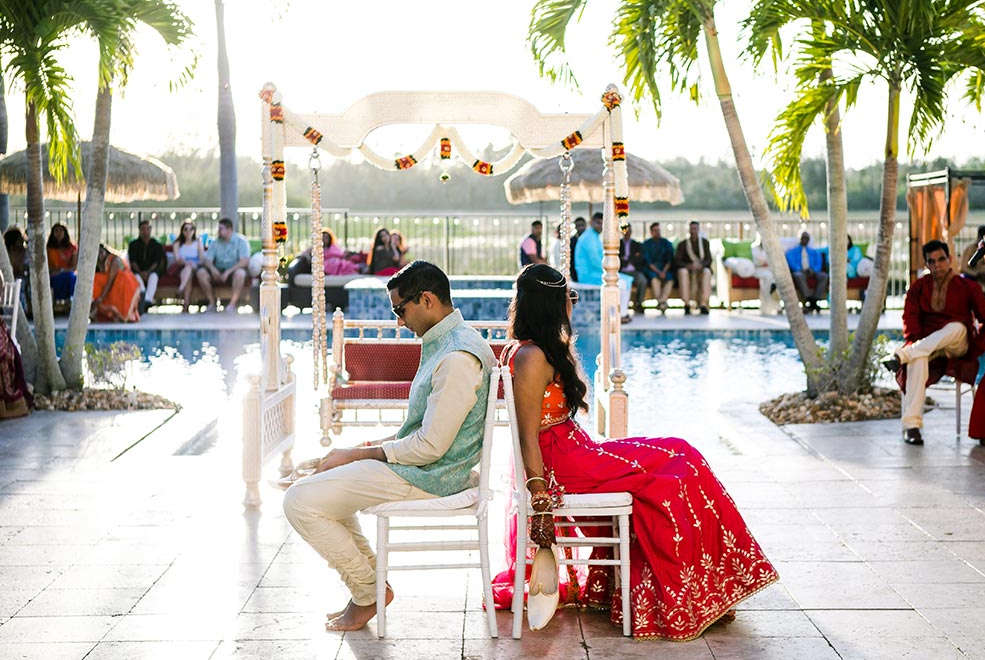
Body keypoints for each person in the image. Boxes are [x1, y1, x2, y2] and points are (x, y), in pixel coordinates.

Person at [490, 264, 778, 640]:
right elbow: (528, 436)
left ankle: (702, 589)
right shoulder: (531, 358)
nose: (572, 306)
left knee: (681, 452)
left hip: (576, 451)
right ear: (551, 306)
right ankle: (684, 594)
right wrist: (540, 496)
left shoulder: (538, 350)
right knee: (677, 466)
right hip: (565, 464)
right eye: (569, 299)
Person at [283, 261, 495, 631]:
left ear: (426, 300)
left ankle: (367, 593)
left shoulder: (458, 356)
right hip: (420, 468)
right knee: (321, 489)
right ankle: (370, 588)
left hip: (432, 476)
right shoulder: (448, 343)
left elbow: (430, 447)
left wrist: (359, 454)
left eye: (401, 310)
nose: (399, 321)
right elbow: (422, 434)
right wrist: (358, 449)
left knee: (299, 502)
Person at [884, 240, 985, 445]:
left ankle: (904, 354)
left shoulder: (967, 286)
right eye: (932, 262)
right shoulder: (918, 288)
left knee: (957, 327)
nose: (937, 265)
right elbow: (909, 319)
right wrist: (916, 342)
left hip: (957, 344)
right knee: (918, 359)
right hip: (927, 346)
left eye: (941, 259)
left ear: (950, 259)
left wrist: (976, 349)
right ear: (926, 265)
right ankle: (912, 427)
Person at [573, 212, 633, 323]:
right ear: (592, 222)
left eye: (602, 223)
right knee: (622, 283)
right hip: (588, 275)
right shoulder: (588, 237)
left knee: (627, 280)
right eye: (598, 223)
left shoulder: (593, 236)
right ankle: (620, 314)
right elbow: (595, 261)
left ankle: (621, 312)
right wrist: (611, 269)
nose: (600, 226)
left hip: (596, 272)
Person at [197, 217, 250, 313]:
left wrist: (228, 271)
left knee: (240, 274)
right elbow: (208, 260)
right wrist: (213, 270)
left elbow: (244, 261)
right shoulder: (215, 243)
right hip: (217, 270)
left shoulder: (241, 241)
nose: (218, 231)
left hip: (233, 270)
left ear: (229, 229)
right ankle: (212, 303)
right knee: (201, 273)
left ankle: (232, 304)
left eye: (221, 229)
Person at [91, 244, 141, 323]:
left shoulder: (114, 260)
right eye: (97, 253)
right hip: (114, 285)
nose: (100, 255)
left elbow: (110, 281)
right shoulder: (99, 265)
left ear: (105, 251)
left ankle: (123, 314)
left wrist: (100, 298)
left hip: (126, 284)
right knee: (96, 279)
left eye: (101, 252)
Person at [674, 220, 713, 314]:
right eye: (691, 229)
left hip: (701, 269)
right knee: (682, 272)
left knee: (707, 272)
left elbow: (709, 259)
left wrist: (701, 265)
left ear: (698, 230)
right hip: (687, 270)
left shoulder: (704, 243)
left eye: (695, 229)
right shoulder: (682, 244)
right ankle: (686, 304)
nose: (693, 231)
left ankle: (703, 304)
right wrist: (688, 266)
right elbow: (677, 260)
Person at [127, 219, 165, 313]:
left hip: (152, 271)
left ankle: (147, 300)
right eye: (143, 229)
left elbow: (157, 262)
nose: (145, 231)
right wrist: (140, 272)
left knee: (154, 276)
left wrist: (147, 272)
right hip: (138, 271)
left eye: (147, 229)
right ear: (140, 230)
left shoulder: (157, 245)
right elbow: (133, 261)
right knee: (136, 277)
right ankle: (145, 299)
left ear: (150, 230)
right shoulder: (133, 245)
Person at [785, 231, 827, 313]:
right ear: (799, 239)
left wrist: (814, 270)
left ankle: (815, 299)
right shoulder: (792, 252)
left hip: (812, 271)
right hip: (800, 271)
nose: (805, 240)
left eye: (806, 238)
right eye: (803, 238)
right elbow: (791, 263)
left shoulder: (814, 252)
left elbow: (819, 263)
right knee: (798, 276)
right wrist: (799, 269)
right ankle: (809, 299)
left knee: (824, 276)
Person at [642, 222, 675, 313]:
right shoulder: (647, 244)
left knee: (670, 279)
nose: (658, 232)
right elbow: (649, 262)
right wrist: (658, 272)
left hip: (665, 269)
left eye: (659, 230)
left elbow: (669, 260)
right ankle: (661, 302)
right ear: (651, 232)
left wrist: (663, 271)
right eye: (655, 231)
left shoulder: (666, 243)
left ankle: (662, 301)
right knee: (654, 278)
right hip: (653, 270)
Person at [172, 219, 205, 313]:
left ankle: (181, 290)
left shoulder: (198, 243)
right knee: (188, 274)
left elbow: (202, 259)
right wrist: (186, 263)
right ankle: (186, 304)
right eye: (186, 229)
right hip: (182, 268)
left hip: (196, 267)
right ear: (182, 231)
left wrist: (193, 263)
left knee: (189, 268)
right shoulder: (177, 244)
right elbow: (177, 259)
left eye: (191, 229)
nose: (188, 232)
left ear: (194, 231)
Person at [46, 222, 77, 303]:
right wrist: (54, 271)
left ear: (65, 232)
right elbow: (47, 267)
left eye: (61, 230)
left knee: (72, 277)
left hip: (67, 273)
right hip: (52, 274)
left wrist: (61, 270)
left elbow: (73, 267)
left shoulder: (72, 248)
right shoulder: (49, 249)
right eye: (56, 231)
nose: (58, 233)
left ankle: (70, 301)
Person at [618, 223, 647, 313]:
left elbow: (640, 258)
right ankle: (621, 306)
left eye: (629, 230)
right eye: (625, 230)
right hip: (621, 271)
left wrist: (626, 259)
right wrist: (631, 258)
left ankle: (638, 303)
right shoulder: (617, 244)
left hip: (634, 271)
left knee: (642, 280)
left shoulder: (637, 244)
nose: (627, 232)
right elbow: (618, 259)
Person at [568, 216, 586, 282]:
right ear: (575, 227)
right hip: (575, 271)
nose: (581, 227)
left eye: (582, 225)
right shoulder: (571, 241)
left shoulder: (588, 240)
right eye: (578, 225)